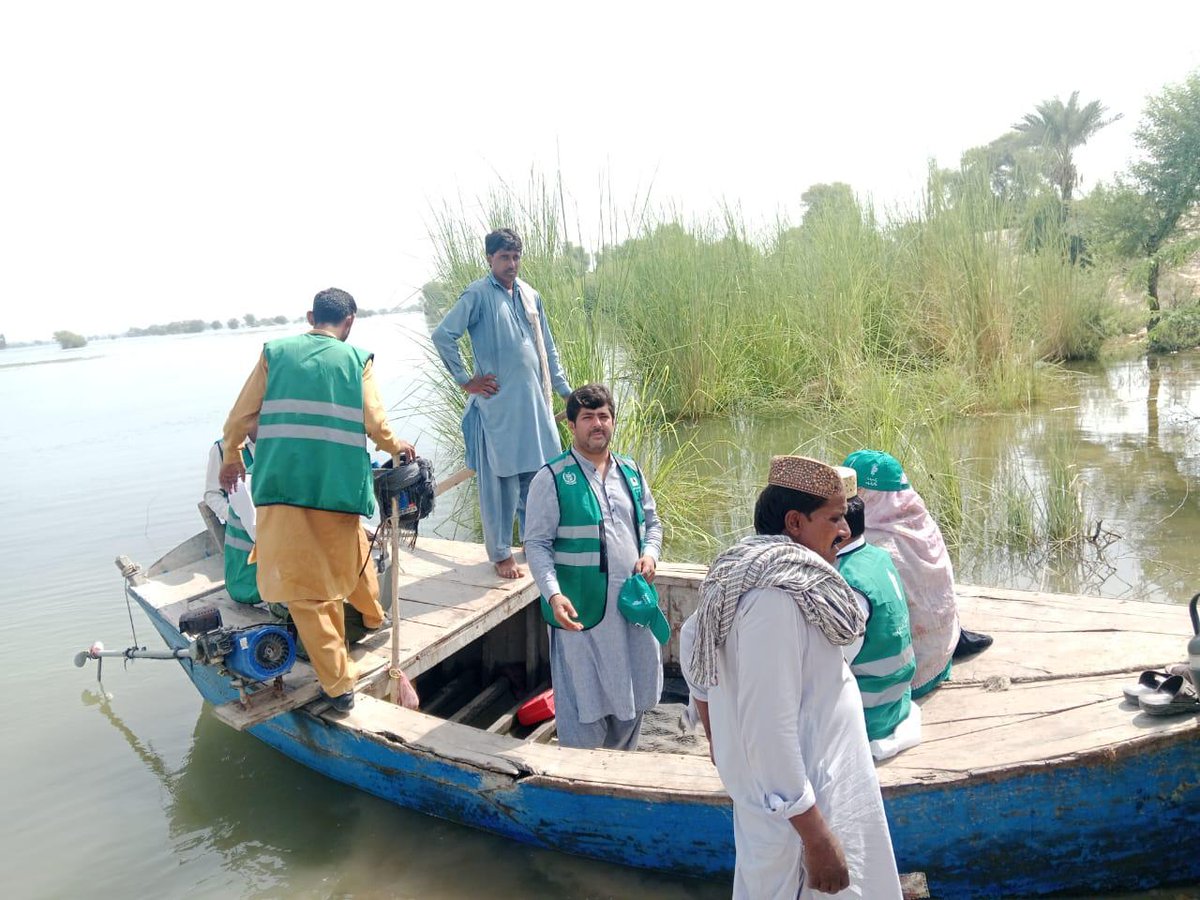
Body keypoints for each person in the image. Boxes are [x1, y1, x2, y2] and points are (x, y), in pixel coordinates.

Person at [686, 456, 902, 900]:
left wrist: (723, 746)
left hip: (812, 803)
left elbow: (696, 660)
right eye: (834, 518)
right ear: (794, 523)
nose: (845, 531)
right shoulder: (773, 602)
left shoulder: (749, 577)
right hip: (800, 823)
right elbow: (768, 730)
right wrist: (816, 838)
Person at [220, 287, 415, 714]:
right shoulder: (356, 360)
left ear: (311, 317)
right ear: (349, 323)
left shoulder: (276, 353)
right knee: (353, 555)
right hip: (339, 491)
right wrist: (396, 444)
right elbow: (376, 421)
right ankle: (372, 618)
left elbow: (239, 416)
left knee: (305, 594)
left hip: (283, 490)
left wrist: (232, 456)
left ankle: (339, 684)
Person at [524, 383, 664, 750]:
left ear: (613, 421)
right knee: (583, 697)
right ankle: (580, 774)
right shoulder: (552, 478)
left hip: (630, 610)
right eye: (588, 417)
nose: (597, 424)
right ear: (572, 426)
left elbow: (652, 523)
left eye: (604, 416)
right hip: (580, 610)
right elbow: (536, 544)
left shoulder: (630, 472)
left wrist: (650, 553)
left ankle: (621, 768)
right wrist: (553, 595)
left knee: (632, 690)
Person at [431, 228, 572, 580]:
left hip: (534, 406)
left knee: (538, 477)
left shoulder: (529, 295)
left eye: (515, 257)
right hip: (499, 409)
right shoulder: (478, 295)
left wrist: (565, 391)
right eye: (504, 257)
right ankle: (500, 555)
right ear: (489, 259)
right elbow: (443, 335)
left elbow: (547, 348)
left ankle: (534, 542)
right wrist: (467, 381)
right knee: (501, 484)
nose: (511, 264)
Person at [843, 449, 991, 700]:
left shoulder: (869, 544)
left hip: (902, 681)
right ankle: (955, 638)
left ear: (863, 493)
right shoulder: (921, 520)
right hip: (939, 658)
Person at [837, 492, 922, 761]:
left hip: (870, 714)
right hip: (896, 698)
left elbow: (831, 665)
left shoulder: (847, 583)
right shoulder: (877, 557)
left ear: (841, 529)